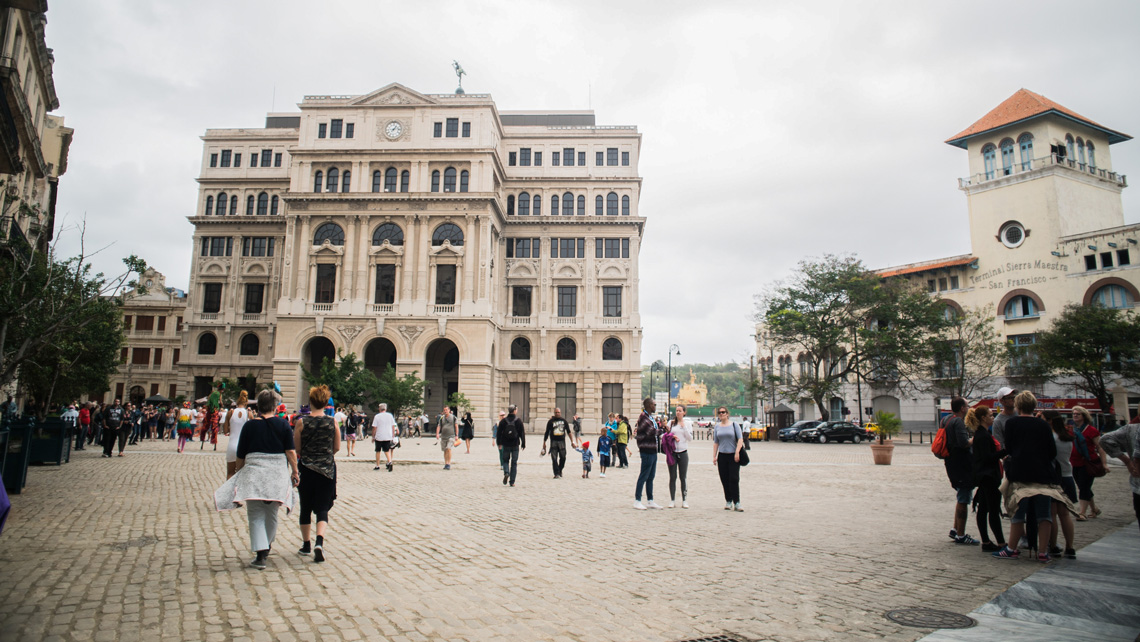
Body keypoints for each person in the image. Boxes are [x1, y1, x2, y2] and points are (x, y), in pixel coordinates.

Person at [213, 390, 298, 570]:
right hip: (276, 473)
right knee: (272, 513)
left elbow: (241, 454)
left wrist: (239, 471)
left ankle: (261, 553)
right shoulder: (283, 424)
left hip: (254, 473)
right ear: (275, 407)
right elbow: (290, 451)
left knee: (255, 513)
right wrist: (295, 471)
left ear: (258, 406)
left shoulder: (249, 426)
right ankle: (266, 546)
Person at [992, 392, 1075, 562]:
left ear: (1018, 406)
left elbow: (1010, 447)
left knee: (1018, 512)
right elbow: (1052, 451)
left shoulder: (1012, 423)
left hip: (1020, 473)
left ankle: (1012, 548)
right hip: (1042, 474)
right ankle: (1043, 551)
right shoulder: (1043, 425)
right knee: (1044, 514)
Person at [292, 385, 339, 563]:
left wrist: (308, 457)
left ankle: (306, 545)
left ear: (311, 401)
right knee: (322, 508)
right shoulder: (332, 422)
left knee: (305, 507)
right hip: (327, 469)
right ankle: (319, 541)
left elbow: (296, 448)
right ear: (326, 403)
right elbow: (336, 447)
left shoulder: (301, 422)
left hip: (307, 468)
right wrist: (325, 456)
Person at [967, 405, 1005, 552]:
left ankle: (987, 541)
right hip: (988, 476)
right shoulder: (982, 436)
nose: (993, 417)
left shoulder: (982, 434)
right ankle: (999, 542)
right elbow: (987, 458)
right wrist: (1004, 452)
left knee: (983, 508)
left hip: (985, 476)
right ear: (983, 418)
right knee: (992, 509)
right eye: (990, 415)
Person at [942, 397, 979, 545]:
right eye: (967, 405)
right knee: (964, 497)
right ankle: (961, 534)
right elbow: (964, 443)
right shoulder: (958, 421)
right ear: (962, 408)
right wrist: (975, 439)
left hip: (951, 462)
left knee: (960, 496)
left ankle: (956, 529)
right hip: (961, 463)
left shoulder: (946, 420)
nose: (968, 407)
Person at [1097, 421, 1140, 533]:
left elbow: (1105, 439)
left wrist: (1127, 462)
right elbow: (1105, 439)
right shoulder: (1131, 429)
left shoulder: (1132, 429)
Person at [1045, 411, 1077, 559]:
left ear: (1050, 421)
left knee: (1052, 514)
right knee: (1065, 514)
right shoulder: (1067, 438)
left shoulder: (1051, 438)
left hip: (1054, 478)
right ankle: (1070, 547)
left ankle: (1053, 546)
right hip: (1067, 475)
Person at [1070, 406, 1107, 520]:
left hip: (1088, 462)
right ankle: (1094, 509)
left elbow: (1100, 447)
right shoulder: (1072, 430)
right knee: (1082, 486)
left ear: (1084, 416)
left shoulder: (1091, 430)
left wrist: (1104, 463)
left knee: (1084, 487)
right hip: (1075, 463)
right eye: (1074, 414)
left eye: (1078, 414)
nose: (1075, 415)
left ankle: (1082, 513)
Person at [712, 406, 745, 511]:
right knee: (724, 479)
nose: (721, 414)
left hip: (733, 455)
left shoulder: (734, 425)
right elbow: (716, 442)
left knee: (734, 479)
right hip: (722, 455)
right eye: (719, 412)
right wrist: (714, 456)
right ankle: (728, 500)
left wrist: (737, 452)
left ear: (727, 413)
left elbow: (740, 439)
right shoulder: (717, 427)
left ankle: (737, 502)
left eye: (723, 412)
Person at [633, 398, 662, 510]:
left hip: (652, 450)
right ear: (649, 405)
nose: (655, 406)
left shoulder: (650, 417)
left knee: (651, 476)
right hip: (646, 450)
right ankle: (637, 500)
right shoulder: (643, 418)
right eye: (654, 404)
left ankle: (650, 500)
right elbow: (651, 432)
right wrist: (662, 430)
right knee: (643, 475)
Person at [664, 404, 693, 509]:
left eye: (680, 411)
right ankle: (672, 500)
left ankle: (684, 500)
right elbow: (665, 436)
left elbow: (690, 438)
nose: (678, 412)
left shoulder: (688, 424)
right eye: (677, 410)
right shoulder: (671, 423)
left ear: (684, 412)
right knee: (672, 477)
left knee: (683, 477)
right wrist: (672, 436)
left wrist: (684, 427)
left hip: (683, 452)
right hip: (673, 452)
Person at [542, 407, 576, 479]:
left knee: (563, 457)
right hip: (553, 441)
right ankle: (556, 473)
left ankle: (560, 469)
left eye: (558, 412)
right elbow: (547, 432)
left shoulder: (564, 421)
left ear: (560, 413)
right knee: (554, 458)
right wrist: (544, 443)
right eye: (556, 412)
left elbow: (569, 432)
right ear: (554, 413)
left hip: (562, 442)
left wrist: (572, 441)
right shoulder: (550, 422)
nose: (557, 414)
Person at [496, 405, 525, 486]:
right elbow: (522, 433)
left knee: (505, 460)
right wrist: (523, 443)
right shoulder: (518, 421)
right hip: (515, 444)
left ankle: (506, 472)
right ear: (515, 411)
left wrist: (499, 443)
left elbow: (499, 433)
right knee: (514, 462)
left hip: (506, 444)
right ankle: (512, 482)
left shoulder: (503, 421)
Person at [225, 391, 251, 479]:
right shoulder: (249, 414)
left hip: (232, 444)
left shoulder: (230, 412)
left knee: (230, 473)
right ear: (246, 402)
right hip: (244, 446)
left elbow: (225, 431)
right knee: (242, 474)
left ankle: (229, 492)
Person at [371, 402, 397, 472]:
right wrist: (393, 435)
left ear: (379, 409)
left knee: (378, 451)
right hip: (388, 435)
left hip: (379, 436)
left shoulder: (377, 416)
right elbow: (393, 426)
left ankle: (377, 465)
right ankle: (389, 461)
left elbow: (374, 427)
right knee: (387, 450)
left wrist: (373, 436)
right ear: (385, 409)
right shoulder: (390, 416)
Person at [436, 405, 458, 470]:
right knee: (445, 450)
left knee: (448, 448)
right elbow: (439, 426)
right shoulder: (442, 418)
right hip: (443, 436)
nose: (445, 411)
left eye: (446, 410)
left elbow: (456, 426)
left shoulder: (454, 418)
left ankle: (449, 463)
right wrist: (437, 434)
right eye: (444, 410)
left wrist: (456, 435)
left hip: (451, 436)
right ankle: (446, 463)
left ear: (449, 410)